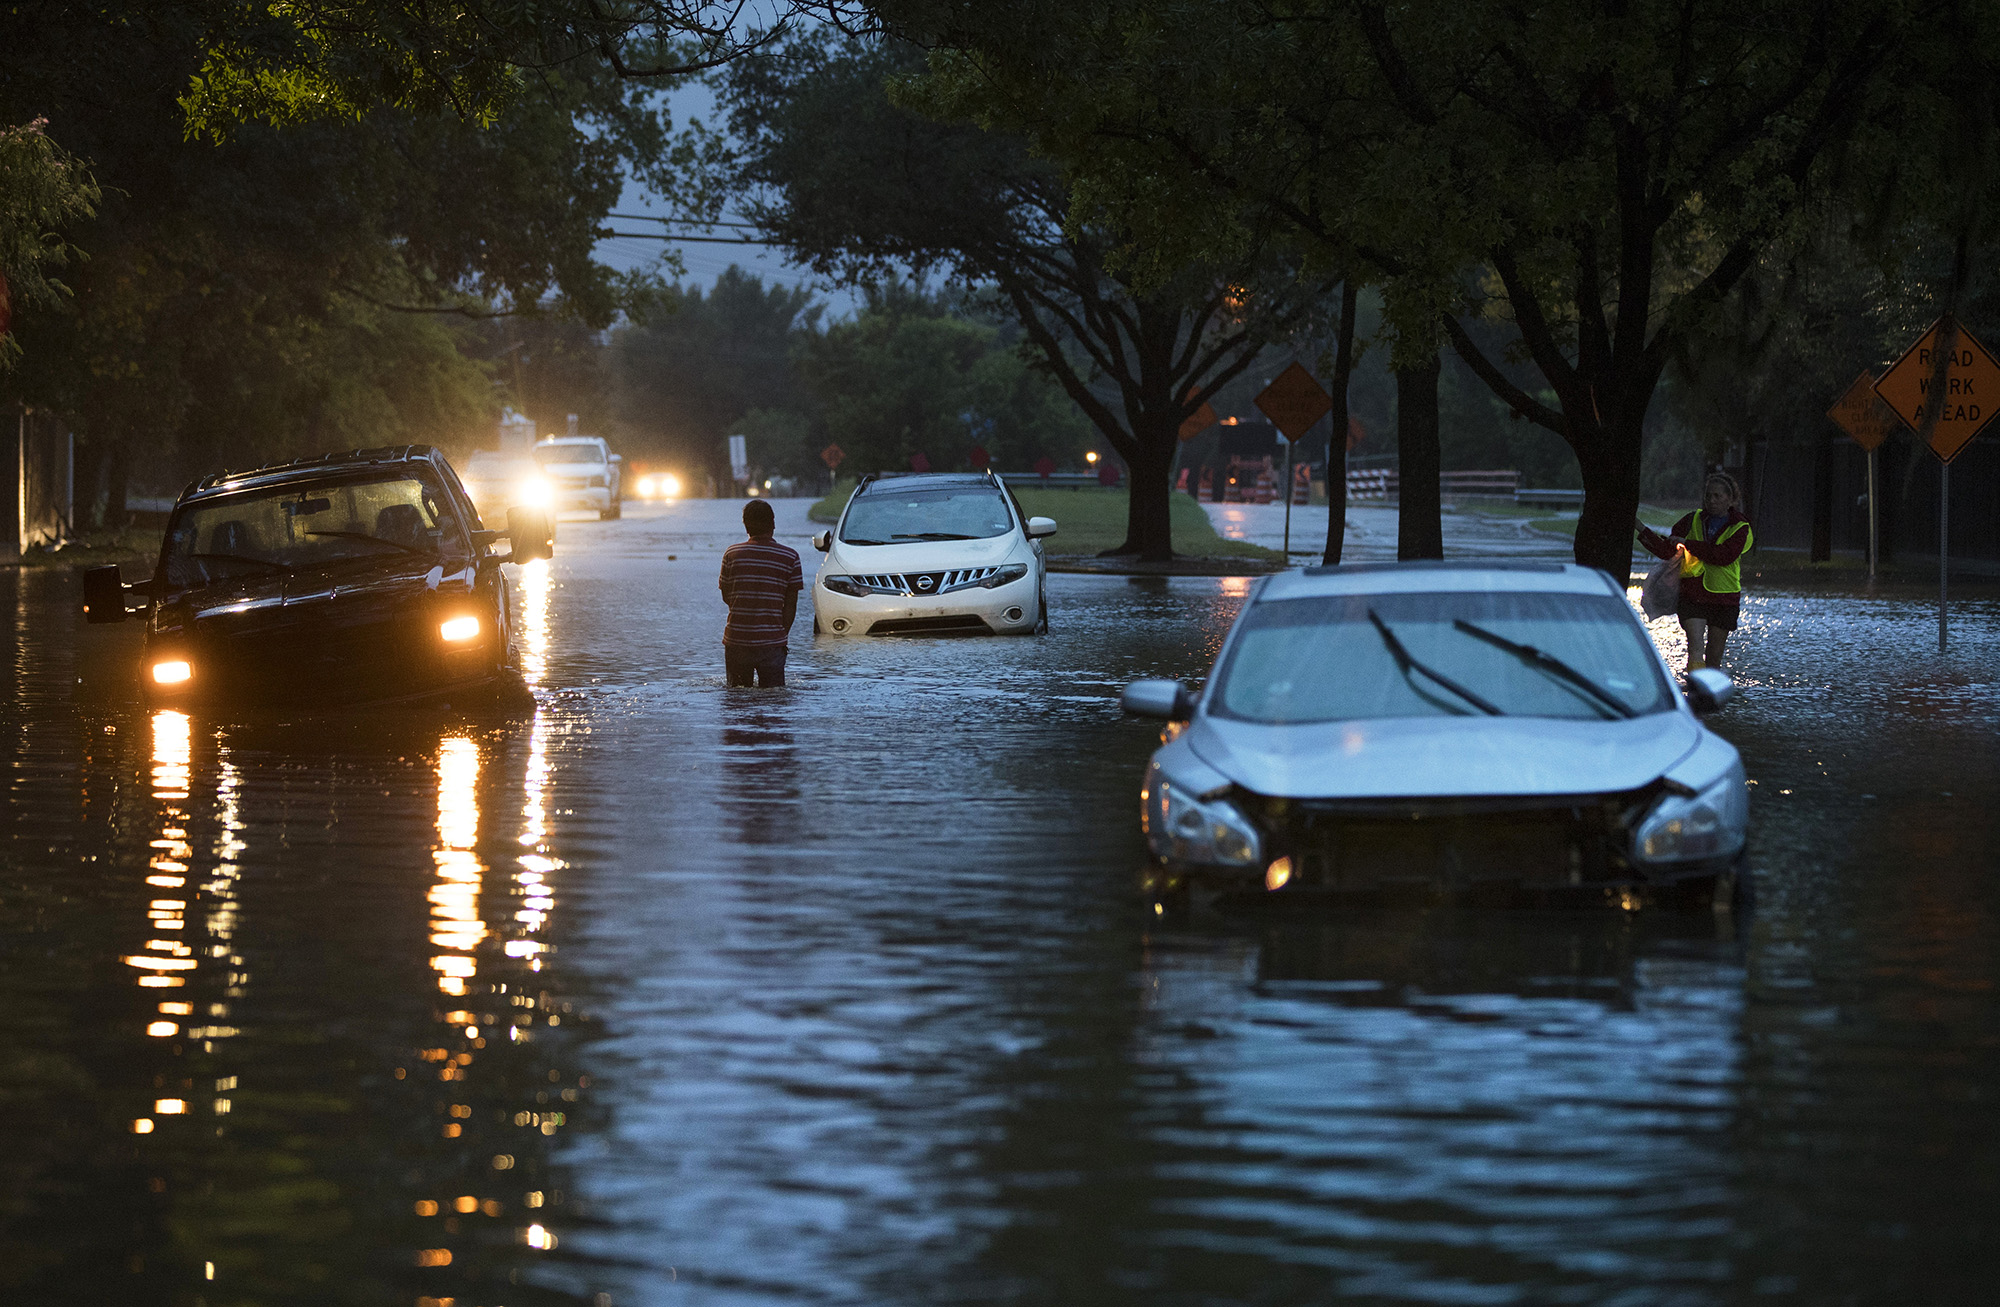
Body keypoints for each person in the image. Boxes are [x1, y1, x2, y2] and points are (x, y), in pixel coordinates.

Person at [1635, 472, 1754, 673]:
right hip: (1693, 595)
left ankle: (1710, 692)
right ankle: (1695, 691)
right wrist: (1640, 528)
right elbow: (1667, 550)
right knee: (1695, 649)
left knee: (1714, 655)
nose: (1712, 501)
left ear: (1730, 499)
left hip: (1724, 597)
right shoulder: (1692, 520)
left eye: (1718, 496)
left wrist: (1689, 543)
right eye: (1708, 496)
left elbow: (1723, 556)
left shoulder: (1740, 527)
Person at [719, 499, 803, 687]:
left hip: (737, 640)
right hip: (772, 644)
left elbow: (727, 596)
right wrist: (780, 636)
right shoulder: (790, 557)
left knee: (738, 700)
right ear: (773, 523)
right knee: (773, 701)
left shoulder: (731, 554)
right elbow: (791, 605)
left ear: (745, 526)